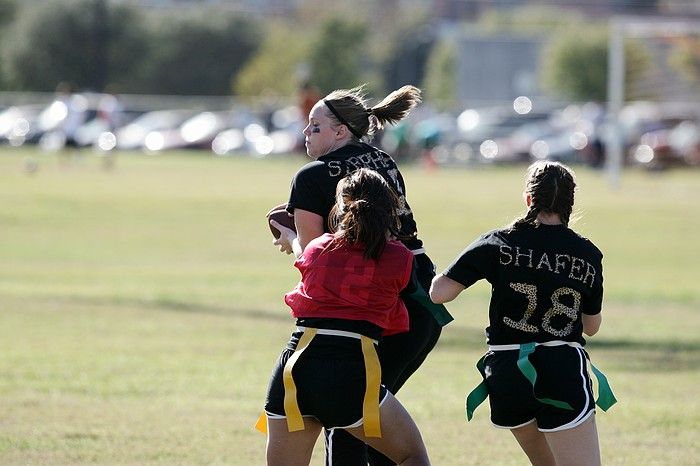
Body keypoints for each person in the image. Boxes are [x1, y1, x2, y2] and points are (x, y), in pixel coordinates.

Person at [273, 84, 451, 465]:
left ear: (341, 131)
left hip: (367, 310)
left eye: (315, 126)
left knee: (347, 416)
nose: (306, 132)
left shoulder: (311, 176)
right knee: (373, 424)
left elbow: (318, 262)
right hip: (419, 302)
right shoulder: (384, 161)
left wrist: (290, 239)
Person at [430, 161, 616, 466]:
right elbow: (591, 327)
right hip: (560, 369)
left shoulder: (498, 242)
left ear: (529, 200)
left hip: (506, 371)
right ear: (570, 203)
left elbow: (440, 293)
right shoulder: (587, 254)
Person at [262, 168, 431, 466]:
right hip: (349, 368)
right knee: (411, 456)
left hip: (294, 366)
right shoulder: (399, 257)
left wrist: (290, 236)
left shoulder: (317, 247)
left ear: (339, 210)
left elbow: (310, 251)